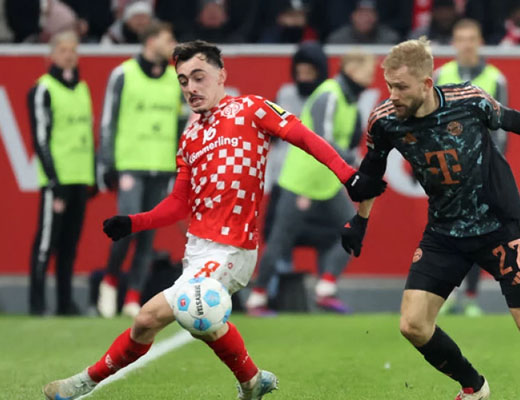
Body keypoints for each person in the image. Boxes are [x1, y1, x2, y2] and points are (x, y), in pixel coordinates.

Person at [42, 39, 386, 400]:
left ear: (222, 75)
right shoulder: (190, 136)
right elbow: (178, 204)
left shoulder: (251, 109)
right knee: (146, 321)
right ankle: (253, 381)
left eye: (199, 77)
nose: (191, 87)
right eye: (183, 81)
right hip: (198, 251)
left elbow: (304, 136)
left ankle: (79, 385)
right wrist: (133, 222)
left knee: (193, 310)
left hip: (234, 250)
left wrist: (349, 176)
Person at [340, 37, 520, 399]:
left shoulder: (468, 100)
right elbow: (371, 174)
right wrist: (361, 221)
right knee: (413, 324)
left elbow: (508, 117)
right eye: (388, 86)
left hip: (498, 226)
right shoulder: (385, 121)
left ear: (426, 84)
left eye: (401, 87)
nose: (393, 95)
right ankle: (474, 386)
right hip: (444, 232)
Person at [246, 50, 376, 316]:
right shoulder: (330, 93)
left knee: (354, 226)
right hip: (301, 180)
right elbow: (322, 139)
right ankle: (256, 299)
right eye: (368, 70)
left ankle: (325, 289)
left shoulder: (351, 101)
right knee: (281, 239)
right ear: (351, 69)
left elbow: (348, 142)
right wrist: (356, 159)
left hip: (325, 182)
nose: (371, 76)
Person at [96, 22, 182, 318]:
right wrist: (106, 162)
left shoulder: (175, 78)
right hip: (131, 164)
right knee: (127, 230)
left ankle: (133, 297)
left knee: (148, 236)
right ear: (151, 40)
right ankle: (109, 281)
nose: (173, 44)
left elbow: (182, 123)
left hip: (161, 166)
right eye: (168, 38)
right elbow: (109, 120)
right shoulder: (124, 74)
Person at [434, 18, 509, 317]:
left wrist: (492, 167)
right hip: (449, 168)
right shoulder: (441, 74)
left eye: (471, 38)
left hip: (481, 169)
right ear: (454, 43)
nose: (466, 44)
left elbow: (502, 128)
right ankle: (450, 294)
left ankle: (472, 297)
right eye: (460, 38)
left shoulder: (495, 78)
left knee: (479, 233)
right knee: (447, 232)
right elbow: (433, 121)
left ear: (479, 42)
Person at [27, 30, 94, 316]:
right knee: (46, 244)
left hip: (80, 176)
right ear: (51, 55)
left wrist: (91, 175)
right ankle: (37, 306)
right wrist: (53, 179)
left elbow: (87, 134)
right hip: (58, 178)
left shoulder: (82, 88)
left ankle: (65, 304)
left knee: (69, 245)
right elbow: (40, 137)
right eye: (64, 50)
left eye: (73, 50)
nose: (69, 55)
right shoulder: (43, 89)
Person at [260, 41, 328, 298]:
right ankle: (276, 292)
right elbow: (268, 132)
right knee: (277, 238)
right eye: (300, 72)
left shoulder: (326, 96)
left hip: (318, 182)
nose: (303, 78)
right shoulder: (285, 94)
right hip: (285, 181)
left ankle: (325, 290)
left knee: (329, 235)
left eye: (309, 72)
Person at [326, 0, 400, 45]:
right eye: (361, 14)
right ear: (353, 16)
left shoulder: (390, 39)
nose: (365, 18)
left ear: (376, 16)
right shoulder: (337, 40)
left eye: (369, 13)